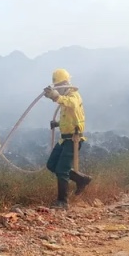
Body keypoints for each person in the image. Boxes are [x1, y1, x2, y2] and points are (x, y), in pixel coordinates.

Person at [43, 68, 92, 208]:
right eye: (56, 87)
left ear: (65, 83)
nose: (57, 89)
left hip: (73, 140)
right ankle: (81, 180)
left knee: (62, 170)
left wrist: (55, 96)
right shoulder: (65, 99)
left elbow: (72, 104)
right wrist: (58, 124)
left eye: (58, 86)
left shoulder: (74, 96)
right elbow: (71, 119)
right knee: (52, 165)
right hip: (64, 139)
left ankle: (62, 202)